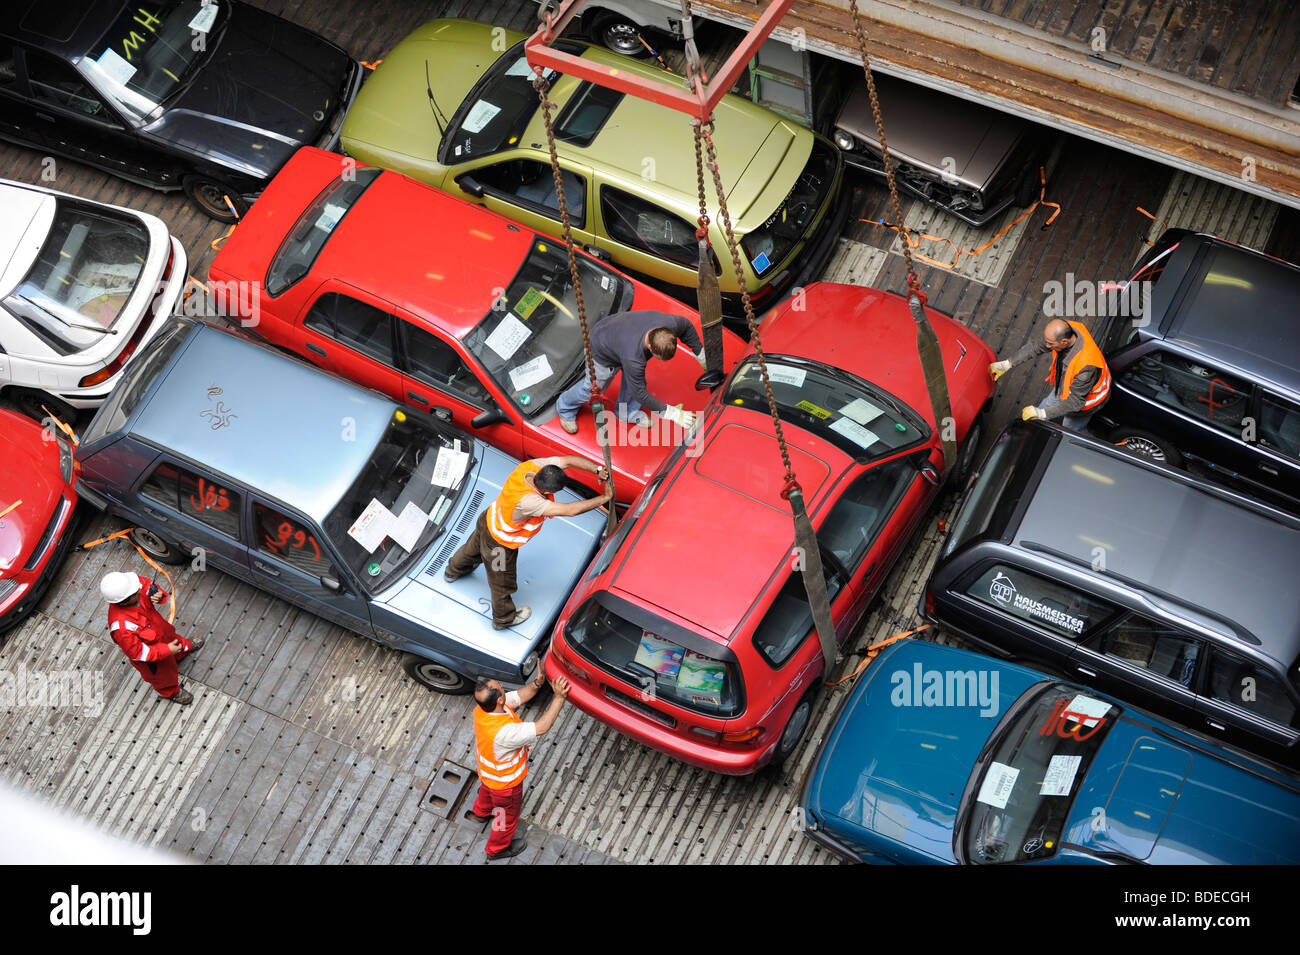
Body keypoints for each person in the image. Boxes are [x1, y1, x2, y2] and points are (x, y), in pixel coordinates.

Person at [444, 456, 611, 629]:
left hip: (488, 519)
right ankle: (503, 619)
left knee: (472, 548)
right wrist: (604, 498)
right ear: (547, 492)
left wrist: (598, 470)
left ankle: (453, 570)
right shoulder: (530, 501)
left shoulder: (529, 468)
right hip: (499, 544)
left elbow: (568, 460)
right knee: (501, 581)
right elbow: (570, 510)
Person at [556, 310, 707, 434]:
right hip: (600, 347)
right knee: (592, 390)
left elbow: (686, 326)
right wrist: (671, 413)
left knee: (634, 381)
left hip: (617, 332)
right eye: (658, 357)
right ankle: (564, 407)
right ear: (649, 346)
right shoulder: (634, 357)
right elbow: (638, 393)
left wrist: (700, 353)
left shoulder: (671, 324)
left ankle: (626, 412)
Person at [470, 672, 569, 860]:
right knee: (504, 818)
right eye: (499, 685)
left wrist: (537, 684)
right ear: (499, 699)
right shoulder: (504, 733)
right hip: (505, 786)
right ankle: (495, 849)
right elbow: (541, 727)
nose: (501, 684)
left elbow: (519, 696)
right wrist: (559, 698)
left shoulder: (484, 710)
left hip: (488, 776)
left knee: (486, 793)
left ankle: (480, 812)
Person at [100, 571, 203, 705]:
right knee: (163, 677)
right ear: (125, 601)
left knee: (178, 642)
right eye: (136, 592)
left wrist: (157, 593)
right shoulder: (121, 628)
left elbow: (147, 585)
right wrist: (167, 650)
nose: (139, 589)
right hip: (154, 659)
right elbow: (139, 653)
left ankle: (183, 650)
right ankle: (172, 692)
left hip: (165, 634)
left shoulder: (131, 587)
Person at [989, 318, 1112, 430]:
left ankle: (1087, 447)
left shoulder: (1086, 366)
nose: (1047, 346)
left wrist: (1043, 414)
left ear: (1064, 342)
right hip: (1065, 387)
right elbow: (1037, 346)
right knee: (1047, 404)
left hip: (1087, 402)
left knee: (1070, 430)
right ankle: (1036, 425)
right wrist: (1008, 363)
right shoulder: (1070, 330)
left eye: (1050, 344)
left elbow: (1075, 402)